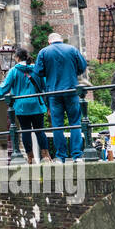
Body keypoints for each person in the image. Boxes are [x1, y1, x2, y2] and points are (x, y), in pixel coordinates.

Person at [0, 47, 49, 162]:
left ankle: (30, 158)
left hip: (22, 107)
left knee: (25, 131)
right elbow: (44, 86)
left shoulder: (14, 71)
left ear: (16, 58)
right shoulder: (37, 69)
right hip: (37, 104)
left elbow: (4, 87)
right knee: (40, 131)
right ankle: (46, 156)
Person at [33, 32, 87, 160]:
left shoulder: (44, 52)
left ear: (49, 41)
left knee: (57, 125)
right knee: (75, 123)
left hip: (54, 93)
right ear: (61, 40)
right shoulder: (72, 49)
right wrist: (73, 72)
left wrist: (49, 72)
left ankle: (60, 157)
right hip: (71, 90)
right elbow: (82, 66)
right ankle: (76, 155)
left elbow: (38, 72)